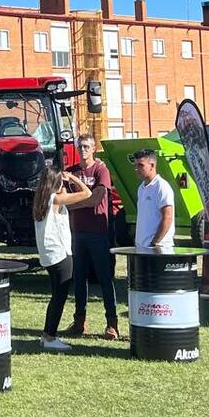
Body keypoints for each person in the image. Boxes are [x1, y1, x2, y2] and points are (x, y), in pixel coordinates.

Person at [32, 167, 95, 351]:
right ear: (55, 182)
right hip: (60, 253)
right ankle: (50, 336)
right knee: (59, 297)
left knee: (56, 295)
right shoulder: (56, 199)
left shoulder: (42, 198)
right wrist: (74, 178)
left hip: (49, 254)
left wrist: (62, 184)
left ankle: (47, 335)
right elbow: (87, 193)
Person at [65, 132, 120, 339]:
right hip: (78, 233)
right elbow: (60, 197)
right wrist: (72, 200)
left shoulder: (101, 170)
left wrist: (73, 204)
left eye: (87, 146)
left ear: (94, 149)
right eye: (80, 147)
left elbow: (97, 198)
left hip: (98, 231)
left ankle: (112, 324)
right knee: (79, 279)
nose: (83, 150)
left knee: (105, 279)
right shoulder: (71, 172)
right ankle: (79, 322)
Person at [133, 150, 175, 252]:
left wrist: (155, 243)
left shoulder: (161, 186)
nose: (136, 169)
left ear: (152, 165)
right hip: (142, 247)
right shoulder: (141, 188)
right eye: (135, 165)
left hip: (159, 248)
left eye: (140, 165)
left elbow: (168, 217)